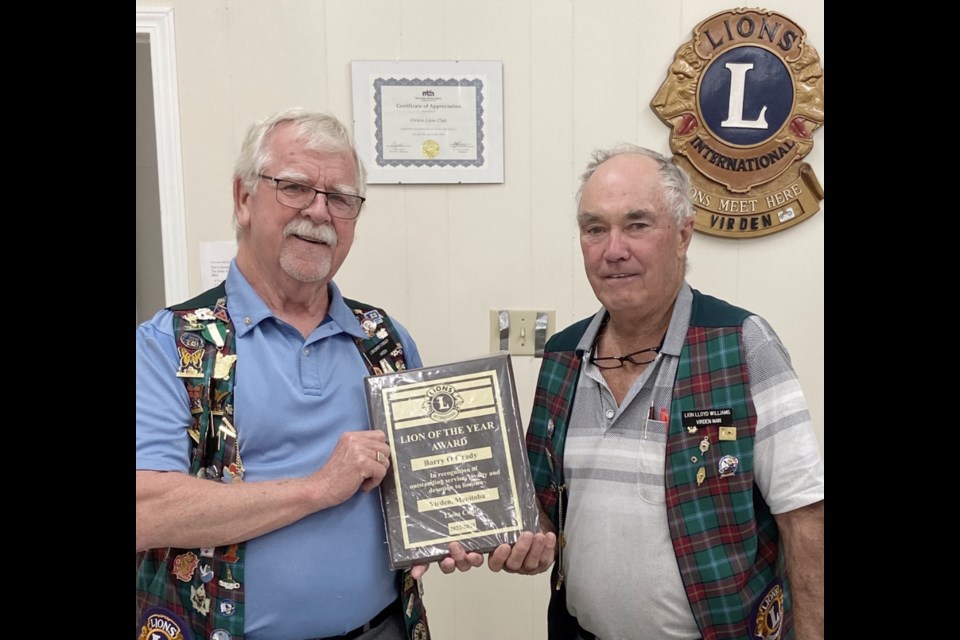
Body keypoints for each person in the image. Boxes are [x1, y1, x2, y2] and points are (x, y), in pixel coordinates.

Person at [137, 109, 444, 640]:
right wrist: (319, 488)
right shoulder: (170, 344)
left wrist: (450, 526)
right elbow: (147, 510)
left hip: (384, 628)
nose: (320, 212)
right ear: (243, 199)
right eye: (296, 187)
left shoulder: (384, 339)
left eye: (341, 197)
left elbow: (423, 482)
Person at [511, 145, 824, 640]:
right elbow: (544, 503)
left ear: (683, 234)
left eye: (637, 225)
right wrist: (525, 539)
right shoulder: (564, 356)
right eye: (595, 229)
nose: (613, 250)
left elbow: (804, 514)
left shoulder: (741, 342)